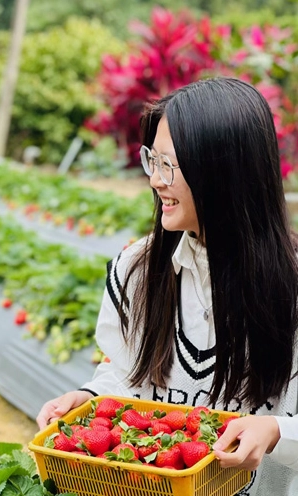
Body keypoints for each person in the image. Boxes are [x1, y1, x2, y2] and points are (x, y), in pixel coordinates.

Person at [36, 77, 298, 495]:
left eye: (168, 165)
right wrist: (89, 398)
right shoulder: (137, 270)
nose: (155, 181)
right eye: (151, 160)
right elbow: (125, 376)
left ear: (223, 173)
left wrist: (277, 431)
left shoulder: (292, 288)